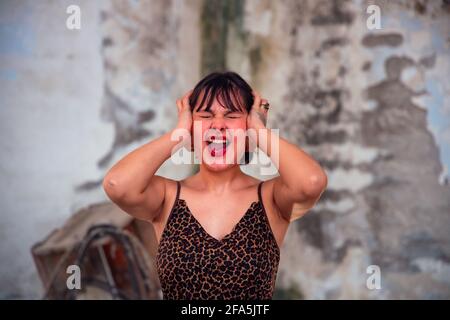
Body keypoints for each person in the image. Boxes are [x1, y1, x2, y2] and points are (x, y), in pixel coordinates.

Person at [103, 71, 327, 300]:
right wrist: (179, 134)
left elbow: (311, 182)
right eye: (205, 115)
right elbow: (117, 184)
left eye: (232, 116)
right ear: (190, 125)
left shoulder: (270, 198)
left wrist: (259, 132)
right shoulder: (167, 196)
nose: (218, 125)